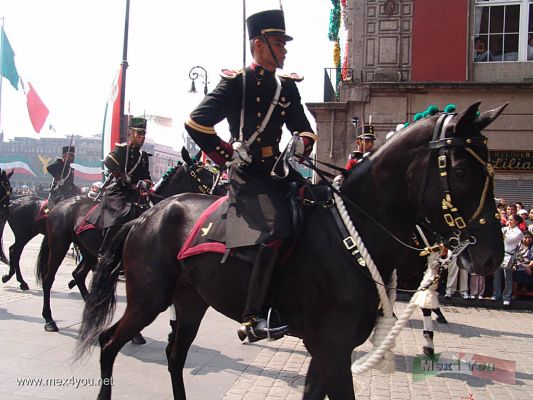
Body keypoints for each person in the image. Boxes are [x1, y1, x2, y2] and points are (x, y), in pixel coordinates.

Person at [184, 9, 317, 341]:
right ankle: (254, 316)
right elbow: (196, 122)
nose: (285, 50)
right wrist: (228, 154)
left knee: (317, 210)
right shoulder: (237, 82)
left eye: (285, 43)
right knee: (275, 230)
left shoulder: (287, 87)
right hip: (247, 175)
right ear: (259, 44)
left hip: (279, 172)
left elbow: (304, 127)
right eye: (278, 43)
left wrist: (301, 143)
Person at [89, 117, 153, 258]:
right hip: (119, 191)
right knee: (121, 214)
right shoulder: (123, 149)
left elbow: (147, 176)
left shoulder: (143, 156)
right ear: (131, 132)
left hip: (135, 193)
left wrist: (145, 183)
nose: (142, 137)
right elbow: (108, 161)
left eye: (144, 134)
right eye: (139, 133)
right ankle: (105, 252)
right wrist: (122, 176)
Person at [493, 214, 524, 306]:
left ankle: (506, 297)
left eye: (512, 220)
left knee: (508, 277)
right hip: (499, 253)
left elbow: (509, 240)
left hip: (509, 255)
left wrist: (501, 234)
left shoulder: (519, 232)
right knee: (496, 276)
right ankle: (496, 294)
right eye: (509, 219)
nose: (509, 222)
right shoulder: (505, 229)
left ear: (517, 222)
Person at [512, 231, 533, 298]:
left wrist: (528, 266)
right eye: (526, 237)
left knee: (528, 271)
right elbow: (514, 257)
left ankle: (525, 287)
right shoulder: (517, 245)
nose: (528, 239)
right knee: (515, 273)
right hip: (517, 264)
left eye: (530, 237)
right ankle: (514, 294)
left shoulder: (532, 247)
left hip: (529, 264)